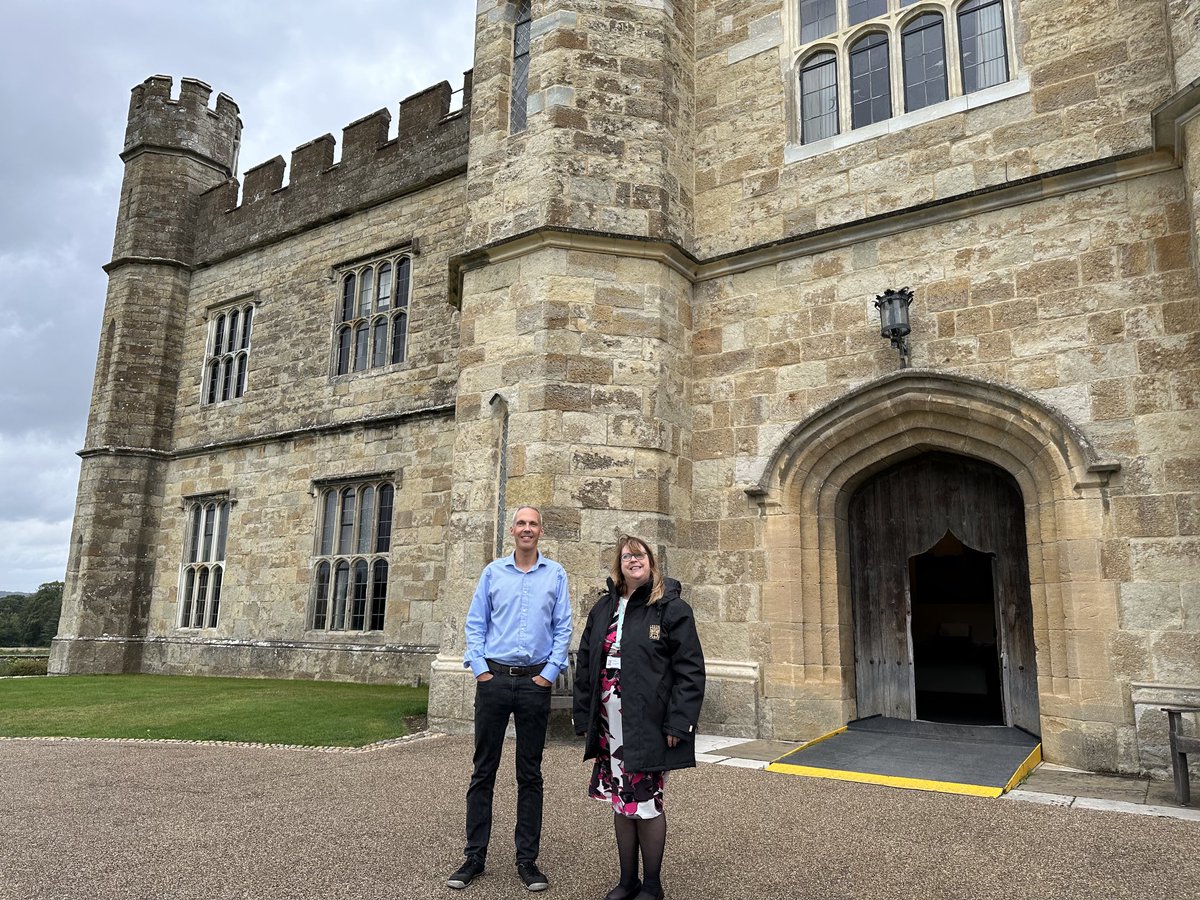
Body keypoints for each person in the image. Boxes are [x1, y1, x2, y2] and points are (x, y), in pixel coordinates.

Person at [573, 535, 705, 900]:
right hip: (608, 722)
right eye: (627, 555)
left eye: (640, 554)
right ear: (619, 564)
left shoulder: (671, 608)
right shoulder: (604, 608)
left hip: (646, 722)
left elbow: (690, 670)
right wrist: (584, 717)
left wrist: (679, 722)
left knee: (645, 801)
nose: (634, 560)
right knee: (621, 799)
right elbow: (587, 662)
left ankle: (652, 885)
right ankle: (627, 880)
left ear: (651, 561)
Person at [448, 506, 573, 893]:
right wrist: (482, 672)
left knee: (530, 774)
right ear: (512, 530)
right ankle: (474, 857)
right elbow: (475, 623)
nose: (527, 529)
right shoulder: (492, 573)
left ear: (540, 532)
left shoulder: (555, 574)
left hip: (534, 683)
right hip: (495, 680)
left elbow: (563, 626)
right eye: (521, 523)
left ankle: (527, 861)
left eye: (533, 524)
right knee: (483, 770)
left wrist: (547, 675)